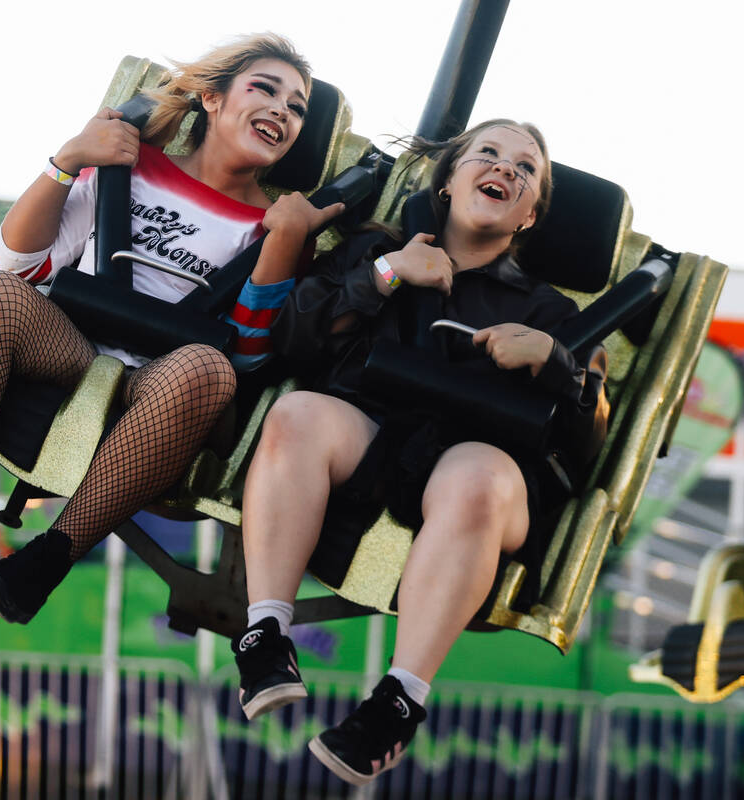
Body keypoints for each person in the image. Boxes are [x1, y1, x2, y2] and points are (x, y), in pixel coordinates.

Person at [0, 33, 343, 624]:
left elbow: (248, 353)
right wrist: (67, 160)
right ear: (213, 98)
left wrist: (288, 242)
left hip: (162, 380)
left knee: (208, 368)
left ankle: (46, 561)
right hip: (72, 345)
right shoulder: (128, 167)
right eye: (266, 89)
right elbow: (19, 262)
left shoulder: (274, 224)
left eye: (297, 106)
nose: (282, 109)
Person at [229, 119, 608, 786]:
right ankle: (264, 637)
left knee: (476, 475)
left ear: (529, 215)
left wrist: (555, 363)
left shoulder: (554, 315)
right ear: (451, 177)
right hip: (372, 440)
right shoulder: (374, 251)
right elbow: (291, 345)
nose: (506, 169)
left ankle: (400, 700)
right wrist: (382, 275)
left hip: (479, 478)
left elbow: (585, 454)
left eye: (527, 170)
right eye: (488, 154)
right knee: (295, 413)